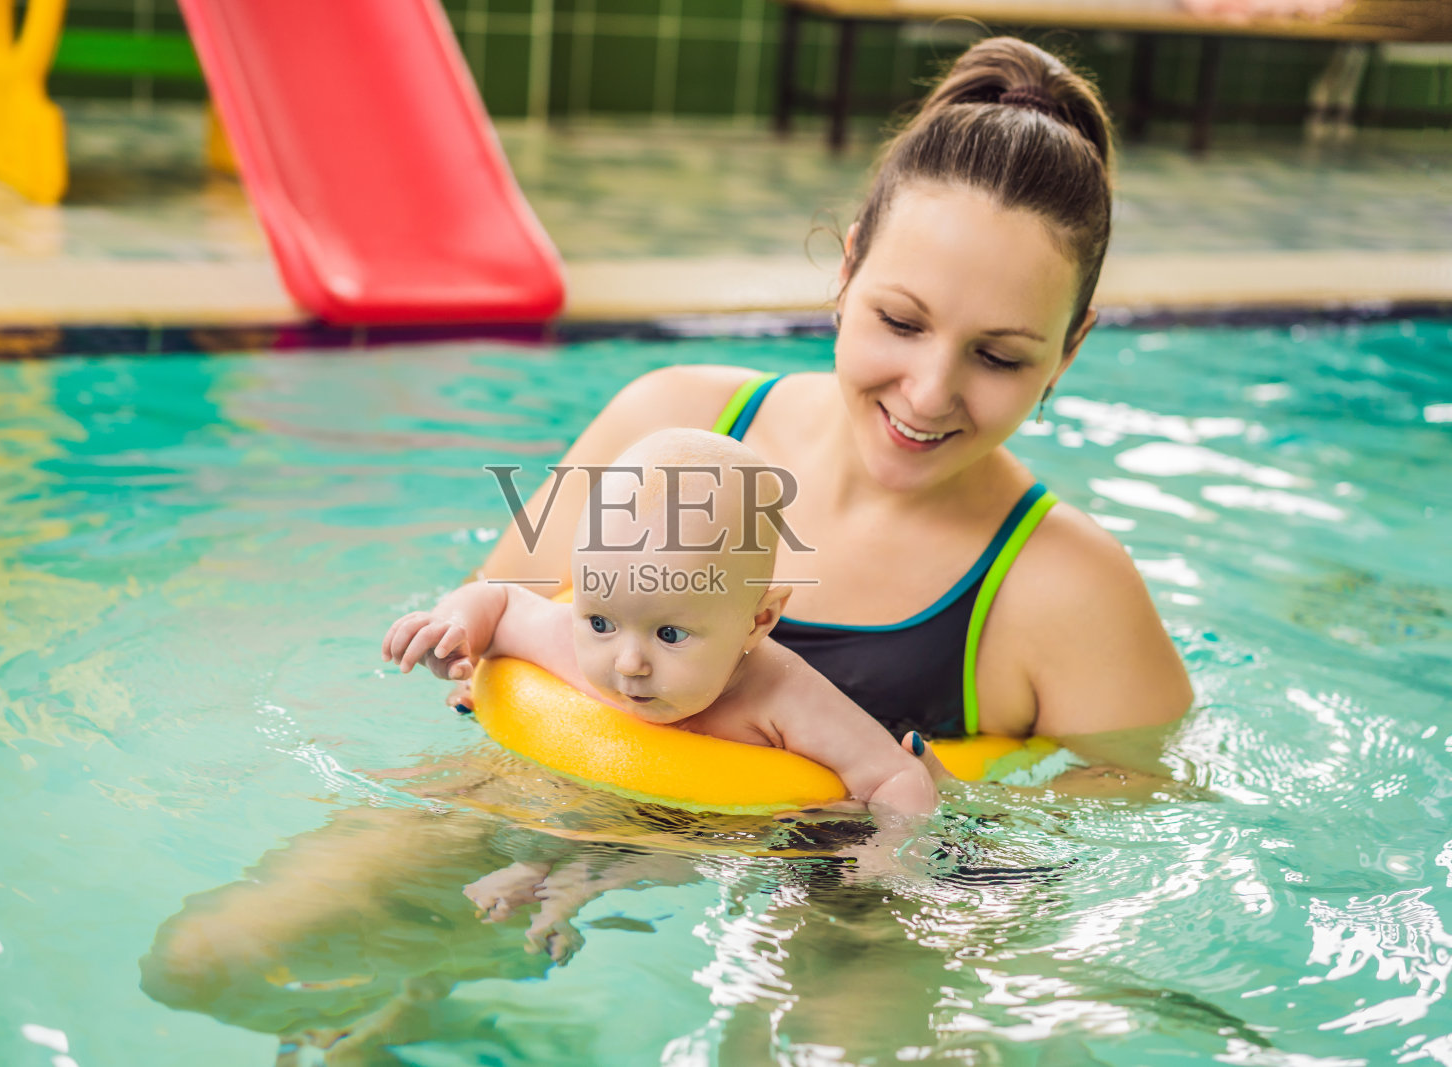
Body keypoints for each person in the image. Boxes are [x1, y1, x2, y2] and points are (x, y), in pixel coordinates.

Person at [470, 37, 1194, 784]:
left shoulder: (1069, 589)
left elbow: (1143, 806)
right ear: (848, 271)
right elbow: (480, 664)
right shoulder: (664, 426)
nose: (928, 392)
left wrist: (967, 821)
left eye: (999, 356)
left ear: (1069, 351)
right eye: (903, 323)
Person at [386, 428, 946, 908]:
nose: (628, 663)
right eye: (600, 622)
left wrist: (888, 863)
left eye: (670, 634)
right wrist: (452, 629)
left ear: (760, 619)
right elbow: (500, 600)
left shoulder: (782, 695)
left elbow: (896, 775)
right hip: (567, 797)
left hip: (711, 843)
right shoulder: (564, 638)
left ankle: (557, 874)